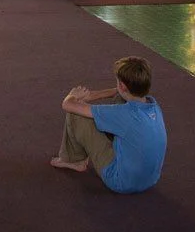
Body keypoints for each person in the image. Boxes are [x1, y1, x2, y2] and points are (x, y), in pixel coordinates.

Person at [51, 56, 167, 195]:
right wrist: (94, 95)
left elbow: (68, 105)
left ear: (123, 85)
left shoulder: (123, 113)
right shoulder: (153, 106)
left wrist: (72, 95)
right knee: (119, 99)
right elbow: (117, 92)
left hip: (120, 181)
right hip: (150, 180)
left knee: (76, 114)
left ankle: (74, 160)